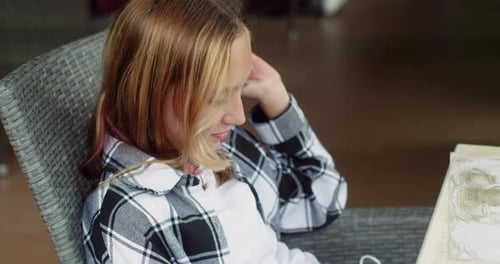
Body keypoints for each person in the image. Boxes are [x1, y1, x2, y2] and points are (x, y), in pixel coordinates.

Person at [81, 0, 347, 263]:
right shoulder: (131, 214)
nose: (239, 116)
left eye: (240, 88)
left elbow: (321, 200)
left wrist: (276, 97)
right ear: (153, 94)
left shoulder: (219, 145)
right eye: (218, 97)